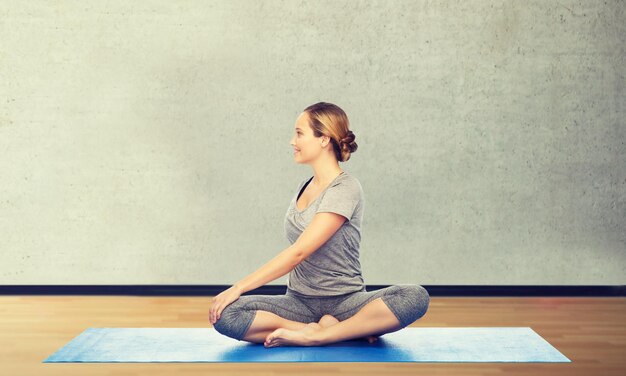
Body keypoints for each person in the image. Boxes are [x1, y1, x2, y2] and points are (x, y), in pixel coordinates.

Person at [209, 102, 429, 347]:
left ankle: (321, 335)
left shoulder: (345, 188)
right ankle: (326, 331)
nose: (293, 141)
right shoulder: (305, 186)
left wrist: (238, 287)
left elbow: (299, 251)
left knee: (414, 297)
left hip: (347, 302)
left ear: (324, 139)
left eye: (299, 133)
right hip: (299, 303)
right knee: (227, 315)